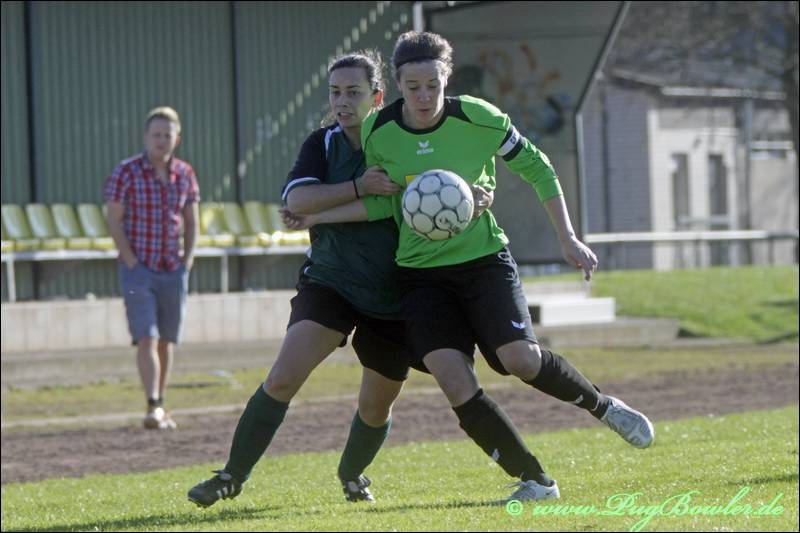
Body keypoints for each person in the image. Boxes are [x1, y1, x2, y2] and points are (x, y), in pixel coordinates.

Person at [282, 31, 655, 503]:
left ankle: (603, 406)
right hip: (420, 276)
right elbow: (384, 204)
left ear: (447, 78)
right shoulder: (380, 132)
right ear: (397, 85)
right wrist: (316, 217)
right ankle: (535, 481)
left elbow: (538, 168)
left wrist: (568, 238)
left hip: (482, 262)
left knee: (520, 360)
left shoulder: (480, 118)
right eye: (412, 87)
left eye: (432, 85)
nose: (423, 96)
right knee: (454, 379)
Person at [186, 50, 496, 508]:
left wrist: (473, 195)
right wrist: (356, 187)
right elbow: (297, 201)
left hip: (394, 293)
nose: (342, 102)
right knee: (283, 378)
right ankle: (231, 476)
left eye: (353, 92)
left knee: (376, 406)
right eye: (335, 93)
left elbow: (444, 183)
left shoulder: (399, 139)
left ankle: (351, 474)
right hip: (331, 283)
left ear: (378, 97)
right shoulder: (322, 143)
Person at [105, 106, 199, 430]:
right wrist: (131, 260)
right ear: (146, 137)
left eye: (167, 135)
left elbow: (192, 221)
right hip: (138, 269)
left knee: (166, 340)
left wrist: (187, 260)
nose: (161, 140)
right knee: (146, 336)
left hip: (173, 267)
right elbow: (113, 219)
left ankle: (160, 403)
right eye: (156, 134)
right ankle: (153, 403)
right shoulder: (126, 172)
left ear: (177, 138)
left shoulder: (185, 173)